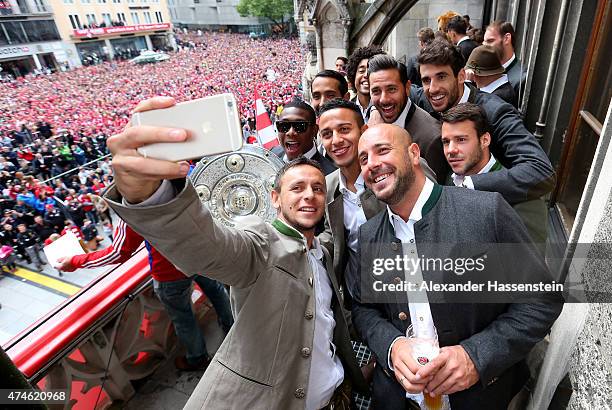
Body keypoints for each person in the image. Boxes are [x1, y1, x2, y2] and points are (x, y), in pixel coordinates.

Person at [103, 96, 368, 409]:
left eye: (317, 189)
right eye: (296, 188)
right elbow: (208, 248)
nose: (309, 195)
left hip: (340, 397)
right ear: (275, 198)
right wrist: (154, 195)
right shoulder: (259, 245)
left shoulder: (322, 249)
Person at [351, 123, 562, 409]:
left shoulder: (487, 211)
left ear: (414, 153)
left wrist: (476, 356)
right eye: (363, 159)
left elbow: (540, 299)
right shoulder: (368, 234)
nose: (373, 164)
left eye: (383, 150)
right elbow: (365, 309)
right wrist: (392, 346)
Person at [56, 218, 235, 371]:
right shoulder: (177, 184)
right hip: (198, 255)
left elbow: (117, 253)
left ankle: (197, 357)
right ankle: (232, 325)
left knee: (183, 318)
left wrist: (75, 261)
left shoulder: (131, 206)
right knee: (216, 290)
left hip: (169, 272)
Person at [412, 38, 556, 204]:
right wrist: (374, 110)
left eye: (441, 77)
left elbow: (541, 171)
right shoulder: (428, 98)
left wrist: (470, 184)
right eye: (426, 80)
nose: (433, 88)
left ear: (460, 76)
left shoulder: (496, 113)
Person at [440, 103, 547, 244]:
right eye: (446, 142)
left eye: (461, 140)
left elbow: (528, 264)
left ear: (485, 140)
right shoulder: (450, 177)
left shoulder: (525, 203)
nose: (451, 150)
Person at [367, 54, 449, 183]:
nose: (384, 99)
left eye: (392, 89)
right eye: (376, 91)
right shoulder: (372, 121)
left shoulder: (432, 138)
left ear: (407, 88)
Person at [271, 100, 337, 175]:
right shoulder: (271, 157)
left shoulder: (329, 175)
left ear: (314, 130)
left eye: (300, 126)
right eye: (284, 126)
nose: (291, 132)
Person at [483, 21, 526, 104]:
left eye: (490, 41)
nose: (484, 46)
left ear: (506, 38)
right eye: (484, 42)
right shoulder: (484, 70)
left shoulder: (521, 79)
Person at [346, 46, 385, 122]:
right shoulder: (347, 109)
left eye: (371, 70)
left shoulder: (388, 108)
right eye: (361, 71)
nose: (366, 75)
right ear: (353, 75)